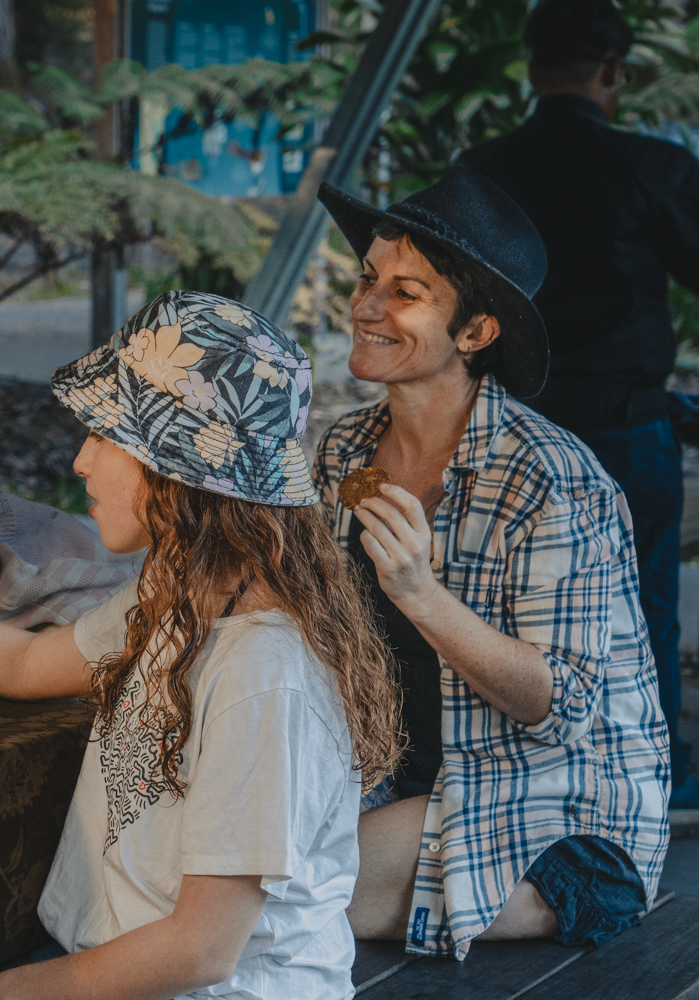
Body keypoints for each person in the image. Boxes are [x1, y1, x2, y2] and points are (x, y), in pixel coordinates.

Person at [0, 292, 404, 1000]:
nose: (81, 461)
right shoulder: (179, 595)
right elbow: (26, 663)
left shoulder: (265, 676)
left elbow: (203, 949)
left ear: (179, 472)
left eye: (107, 438)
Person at [314, 166, 670, 959]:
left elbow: (559, 706)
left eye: (405, 292)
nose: (367, 307)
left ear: (476, 334)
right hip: (399, 784)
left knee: (289, 893)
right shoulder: (342, 450)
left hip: (556, 810)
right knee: (219, 860)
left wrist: (420, 592)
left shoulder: (552, 480)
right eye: (369, 278)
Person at [458, 0, 699, 810]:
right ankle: (651, 783)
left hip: (507, 428)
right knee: (645, 606)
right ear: (613, 73)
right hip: (626, 427)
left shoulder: (482, 167)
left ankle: (531, 779)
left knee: (503, 607)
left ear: (530, 68)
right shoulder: (652, 168)